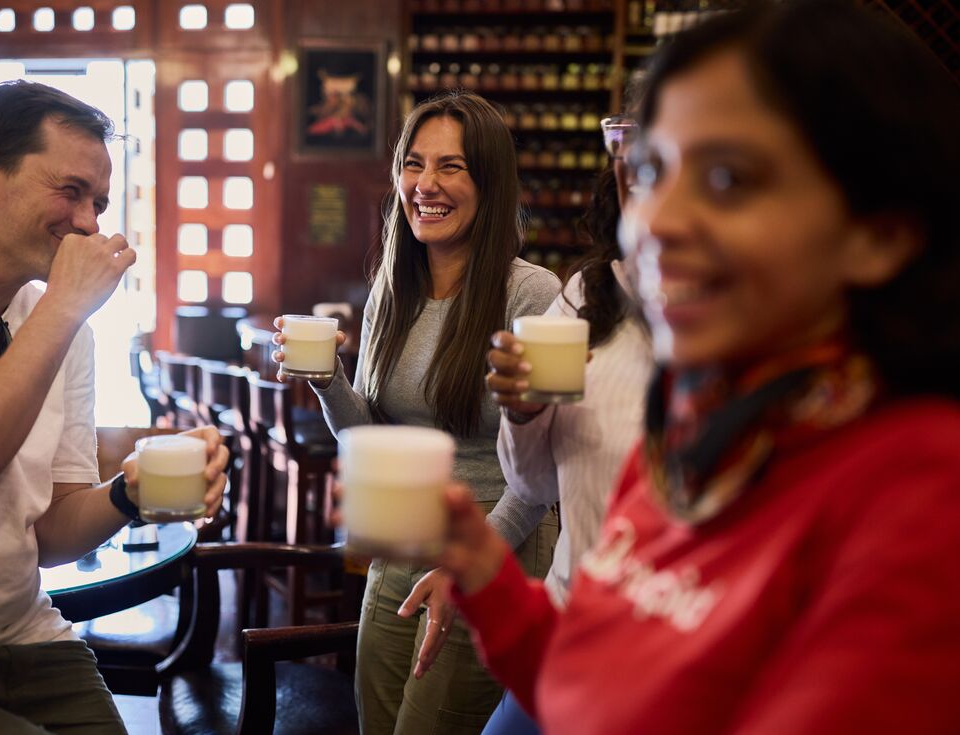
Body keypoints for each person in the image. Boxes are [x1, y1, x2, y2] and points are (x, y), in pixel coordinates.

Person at [438, 2, 960, 733]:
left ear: (881, 232)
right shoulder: (698, 420)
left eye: (727, 178)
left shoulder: (922, 497)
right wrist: (478, 564)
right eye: (650, 170)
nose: (650, 220)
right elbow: (589, 685)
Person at [0, 80, 228, 734]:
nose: (89, 223)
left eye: (99, 202)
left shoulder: (65, 329)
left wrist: (132, 493)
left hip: (32, 638)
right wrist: (63, 308)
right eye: (71, 191)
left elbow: (52, 533)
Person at [274, 90, 561, 733]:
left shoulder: (531, 293)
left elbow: (543, 467)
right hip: (403, 535)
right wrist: (326, 381)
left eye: (450, 167)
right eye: (413, 163)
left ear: (489, 181)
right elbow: (372, 441)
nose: (425, 185)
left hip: (497, 541)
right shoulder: (391, 290)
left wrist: (470, 561)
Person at [481, 167, 654, 735]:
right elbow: (536, 485)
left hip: (660, 660)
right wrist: (523, 411)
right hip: (566, 624)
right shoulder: (589, 294)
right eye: (645, 166)